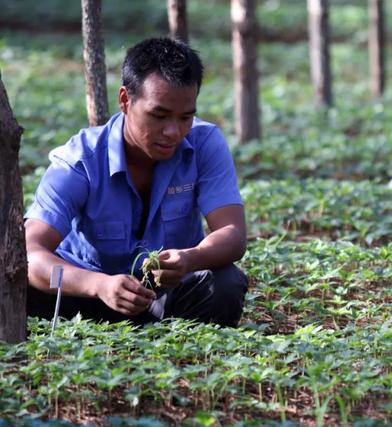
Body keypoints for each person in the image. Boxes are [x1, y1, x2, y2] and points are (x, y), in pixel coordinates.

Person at [25, 37, 248, 327]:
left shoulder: (204, 143)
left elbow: (232, 232)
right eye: (159, 115)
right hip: (85, 298)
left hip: (168, 295)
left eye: (185, 117)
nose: (173, 131)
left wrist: (189, 259)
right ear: (125, 100)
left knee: (226, 284)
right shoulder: (80, 161)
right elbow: (31, 253)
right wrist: (98, 285)